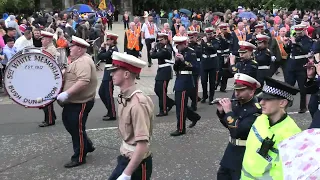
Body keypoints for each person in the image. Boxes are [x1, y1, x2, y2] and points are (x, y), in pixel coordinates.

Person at [241, 77, 302, 179]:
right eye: (262, 98)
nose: (261, 102)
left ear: (282, 103)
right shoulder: (260, 119)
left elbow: (286, 173)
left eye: (268, 99)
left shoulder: (292, 135)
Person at [108, 52, 154, 180]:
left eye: (115, 71)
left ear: (126, 74)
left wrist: (127, 174)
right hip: (125, 158)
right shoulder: (125, 97)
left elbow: (142, 144)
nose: (111, 74)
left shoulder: (137, 103)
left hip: (137, 164)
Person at [56, 36, 97, 168]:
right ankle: (87, 145)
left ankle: (79, 157)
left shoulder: (83, 62)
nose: (70, 48)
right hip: (74, 101)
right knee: (70, 123)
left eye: (72, 46)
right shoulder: (78, 60)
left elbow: (83, 81)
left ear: (79, 49)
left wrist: (67, 93)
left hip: (81, 101)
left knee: (76, 128)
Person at [216, 73, 262, 180]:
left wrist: (228, 112)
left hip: (244, 153)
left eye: (241, 90)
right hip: (231, 151)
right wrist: (222, 112)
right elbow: (230, 127)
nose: (237, 93)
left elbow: (238, 131)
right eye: (236, 90)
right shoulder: (237, 103)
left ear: (252, 92)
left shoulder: (256, 110)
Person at [170, 36, 201, 136]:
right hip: (179, 80)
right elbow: (176, 68)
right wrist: (176, 60)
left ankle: (181, 129)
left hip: (186, 81)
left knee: (181, 107)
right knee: (179, 104)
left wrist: (183, 60)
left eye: (179, 45)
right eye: (177, 45)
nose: (177, 47)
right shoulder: (179, 52)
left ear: (184, 44)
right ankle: (194, 117)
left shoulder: (191, 52)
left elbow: (195, 67)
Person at [284, 24, 313, 113]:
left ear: (304, 30)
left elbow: (305, 49)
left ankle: (303, 106)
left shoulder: (308, 40)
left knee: (302, 88)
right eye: (297, 31)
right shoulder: (294, 38)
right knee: (288, 85)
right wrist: (287, 45)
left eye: (300, 31)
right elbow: (289, 51)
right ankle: (287, 102)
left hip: (301, 66)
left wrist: (295, 43)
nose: (298, 33)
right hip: (291, 64)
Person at [38, 31, 60, 127]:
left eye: (43, 39)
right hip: (46, 77)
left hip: (48, 77)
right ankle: (51, 116)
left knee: (47, 100)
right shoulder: (47, 49)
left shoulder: (50, 50)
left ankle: (50, 119)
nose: (41, 41)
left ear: (48, 40)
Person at [150, 33, 175, 116]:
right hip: (161, 70)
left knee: (162, 91)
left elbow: (153, 55)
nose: (160, 42)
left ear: (166, 40)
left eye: (162, 40)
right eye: (159, 40)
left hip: (165, 71)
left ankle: (163, 110)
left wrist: (153, 48)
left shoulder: (167, 48)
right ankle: (170, 102)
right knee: (157, 90)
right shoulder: (161, 47)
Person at [98, 33, 118, 121]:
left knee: (108, 94)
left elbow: (102, 56)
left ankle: (112, 113)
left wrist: (102, 48)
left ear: (113, 41)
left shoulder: (113, 49)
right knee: (102, 92)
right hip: (107, 71)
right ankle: (110, 110)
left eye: (108, 40)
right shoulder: (110, 48)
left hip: (110, 72)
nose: (107, 41)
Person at [200, 27, 219, 104]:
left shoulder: (215, 40)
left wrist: (205, 43)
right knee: (203, 81)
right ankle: (204, 96)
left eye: (210, 34)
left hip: (213, 63)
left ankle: (211, 97)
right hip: (204, 62)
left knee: (212, 81)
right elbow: (200, 50)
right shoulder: (202, 41)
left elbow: (214, 48)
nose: (209, 35)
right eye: (208, 34)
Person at [216, 23, 233, 93]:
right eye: (223, 29)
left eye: (225, 29)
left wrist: (223, 38)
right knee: (218, 70)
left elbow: (230, 43)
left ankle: (223, 87)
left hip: (225, 54)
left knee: (225, 71)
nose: (224, 31)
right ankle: (216, 83)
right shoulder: (217, 36)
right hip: (218, 54)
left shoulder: (229, 35)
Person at [187, 31, 202, 110]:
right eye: (189, 37)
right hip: (188, 67)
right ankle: (195, 98)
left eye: (192, 37)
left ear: (196, 38)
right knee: (189, 87)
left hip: (196, 67)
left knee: (194, 86)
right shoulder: (187, 46)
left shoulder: (198, 46)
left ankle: (194, 104)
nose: (190, 39)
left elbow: (198, 53)